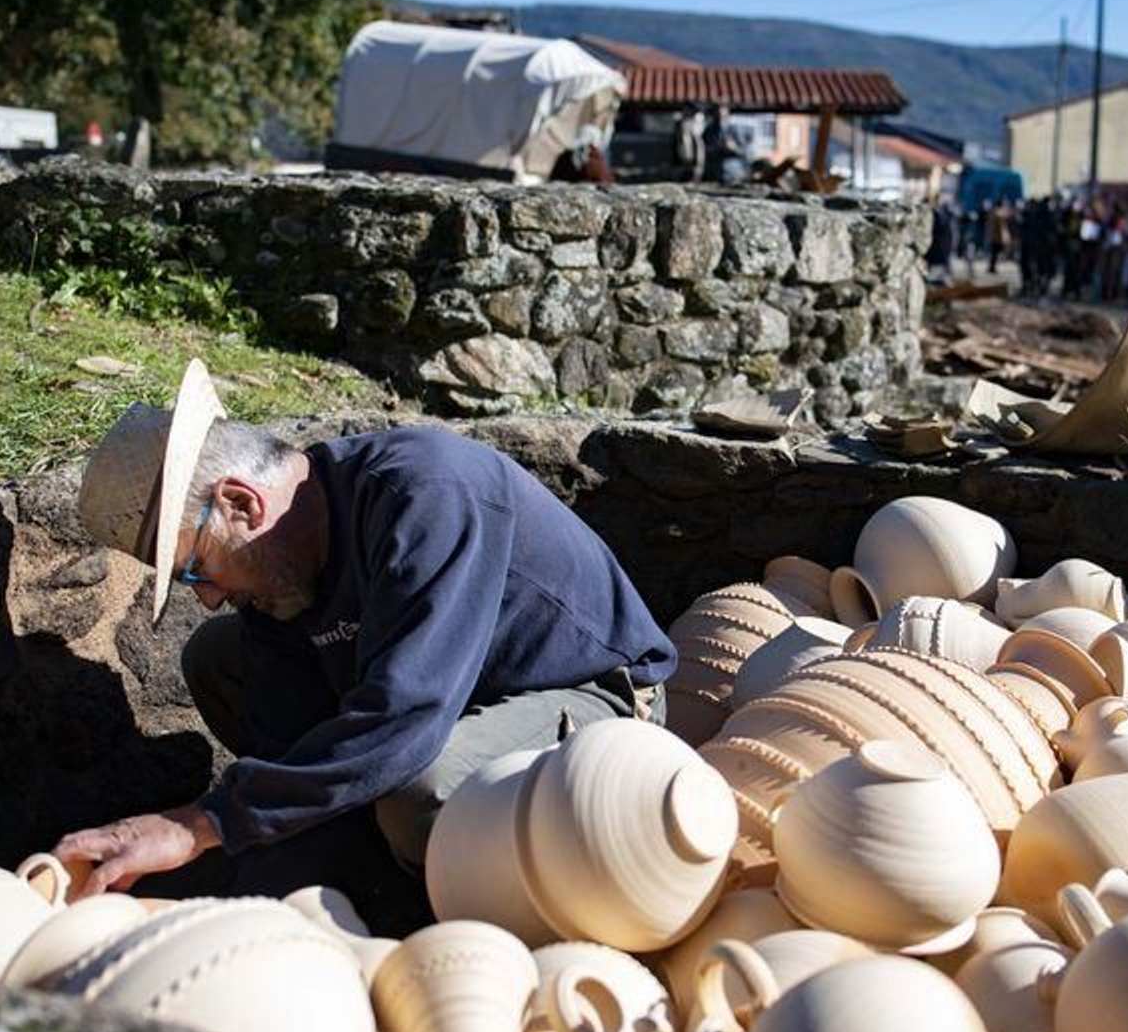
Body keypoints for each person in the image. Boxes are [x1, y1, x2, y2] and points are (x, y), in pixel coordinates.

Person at [54, 361, 676, 899]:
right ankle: (374, 869)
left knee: (421, 795)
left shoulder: (425, 495)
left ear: (243, 504)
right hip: (442, 706)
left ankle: (451, 910)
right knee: (218, 658)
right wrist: (237, 906)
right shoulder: (281, 572)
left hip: (594, 699)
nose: (211, 598)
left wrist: (198, 825)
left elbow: (404, 719)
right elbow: (284, 753)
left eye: (195, 570)